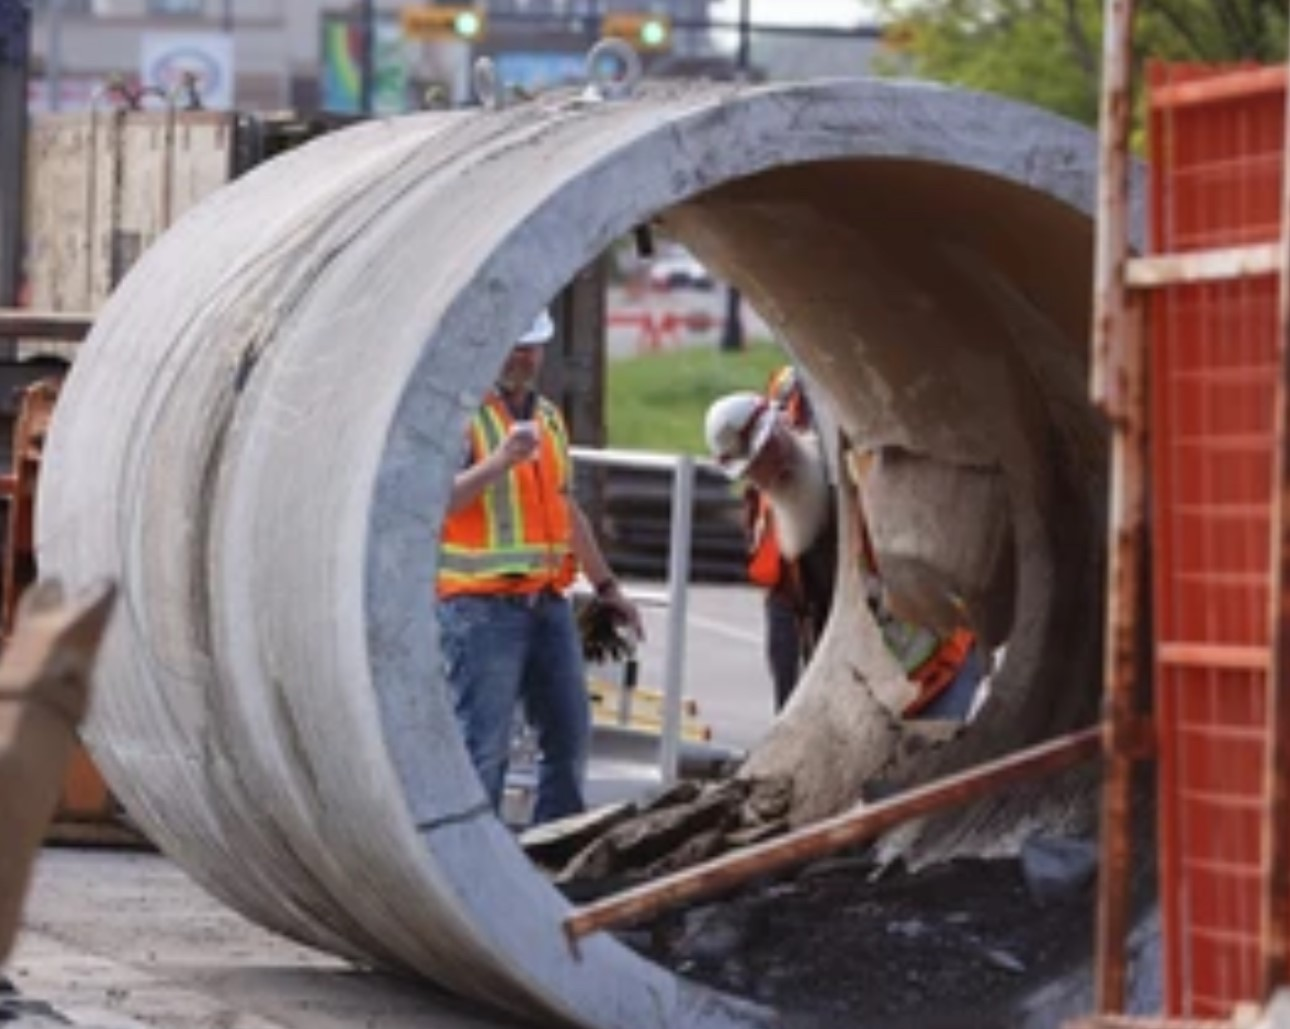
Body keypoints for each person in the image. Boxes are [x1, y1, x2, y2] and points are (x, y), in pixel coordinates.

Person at [437, 310, 641, 825]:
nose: (523, 357)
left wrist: (606, 585)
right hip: (480, 609)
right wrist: (498, 462)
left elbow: (567, 510)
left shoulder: (548, 418)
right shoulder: (461, 417)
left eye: (531, 348)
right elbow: (437, 503)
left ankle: (556, 849)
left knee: (569, 737)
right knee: (484, 748)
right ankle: (474, 867)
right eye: (513, 347)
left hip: (547, 605)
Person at [705, 367, 836, 710]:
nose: (766, 476)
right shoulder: (776, 500)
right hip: (792, 593)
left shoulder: (821, 422)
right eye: (753, 471)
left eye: (764, 459)